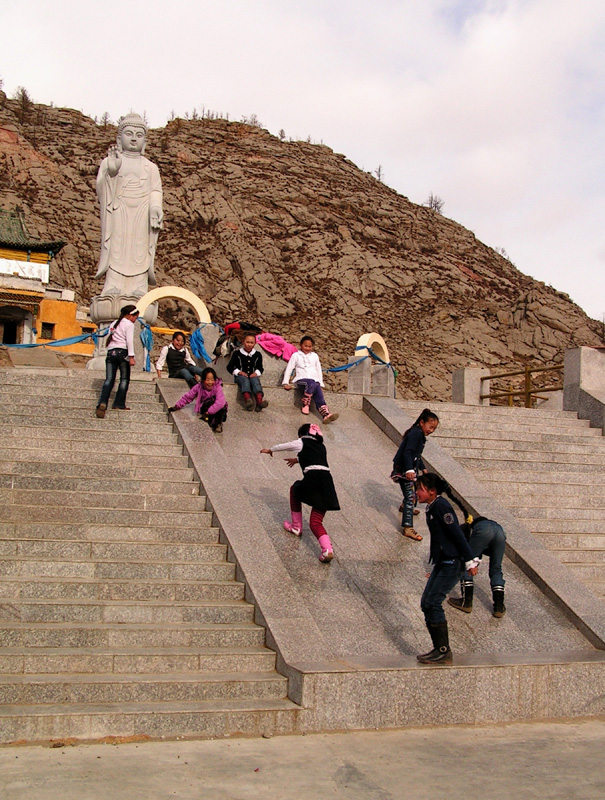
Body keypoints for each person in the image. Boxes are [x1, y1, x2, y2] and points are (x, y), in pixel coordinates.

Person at [414, 472, 480, 665]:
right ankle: (438, 648)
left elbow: (457, 534)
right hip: (443, 561)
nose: (417, 492)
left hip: (453, 562)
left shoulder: (442, 506)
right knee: (426, 602)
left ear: (432, 492)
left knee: (433, 601)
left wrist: (470, 561)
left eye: (420, 489)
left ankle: (444, 651)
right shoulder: (433, 506)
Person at [95, 113, 163, 298]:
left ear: (145, 141)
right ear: (119, 138)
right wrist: (112, 171)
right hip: (119, 211)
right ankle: (113, 284)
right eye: (129, 133)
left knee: (140, 248)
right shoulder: (110, 162)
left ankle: (139, 287)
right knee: (117, 247)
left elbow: (155, 191)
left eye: (139, 135)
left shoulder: (151, 167)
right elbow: (102, 188)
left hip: (142, 213)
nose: (134, 138)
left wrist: (156, 208)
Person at [261, 423, 340, 562]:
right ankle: (327, 549)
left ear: (302, 434)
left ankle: (296, 526)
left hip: (313, 478)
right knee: (316, 522)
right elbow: (313, 456)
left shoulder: (302, 441)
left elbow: (286, 445)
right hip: (327, 482)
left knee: (294, 489)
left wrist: (271, 450)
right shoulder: (321, 446)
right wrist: (298, 460)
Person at [390, 409, 439, 541]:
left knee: (412, 492)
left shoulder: (419, 433)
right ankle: (407, 527)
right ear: (422, 422)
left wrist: (423, 468)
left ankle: (405, 507)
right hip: (405, 469)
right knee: (411, 496)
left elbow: (416, 455)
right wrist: (409, 470)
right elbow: (408, 452)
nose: (431, 430)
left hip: (408, 468)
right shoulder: (416, 434)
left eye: (434, 428)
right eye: (430, 427)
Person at [448, 516, 507, 618]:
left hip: (484, 530)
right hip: (500, 532)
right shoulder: (487, 525)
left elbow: (467, 552)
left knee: (466, 562)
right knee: (496, 568)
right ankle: (499, 607)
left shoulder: (466, 529)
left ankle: (466, 602)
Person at [96, 304, 139, 418]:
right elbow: (129, 340)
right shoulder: (129, 324)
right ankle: (119, 403)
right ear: (131, 315)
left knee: (109, 379)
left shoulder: (114, 323)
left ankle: (103, 402)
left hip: (111, 352)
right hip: (122, 352)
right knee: (124, 379)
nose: (135, 320)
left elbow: (110, 336)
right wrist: (131, 356)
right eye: (135, 317)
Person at [282, 335, 338, 423]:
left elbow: (318, 369)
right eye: (306, 346)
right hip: (301, 380)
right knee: (311, 383)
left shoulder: (315, 356)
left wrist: (321, 383)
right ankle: (305, 403)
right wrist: (285, 382)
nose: (308, 348)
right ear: (300, 345)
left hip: (314, 381)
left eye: (310, 346)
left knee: (316, 387)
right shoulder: (296, 355)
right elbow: (289, 368)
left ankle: (325, 414)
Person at [168, 367, 228, 433]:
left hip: (211, 411)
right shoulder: (198, 387)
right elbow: (188, 397)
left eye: (212, 379)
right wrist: (177, 406)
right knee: (210, 402)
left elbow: (220, 402)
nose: (210, 382)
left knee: (223, 406)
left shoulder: (217, 387)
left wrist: (209, 412)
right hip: (205, 408)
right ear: (203, 380)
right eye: (207, 380)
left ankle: (218, 424)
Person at [226, 333, 269, 412]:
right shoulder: (237, 353)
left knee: (255, 381)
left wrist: (256, 373)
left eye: (251, 343)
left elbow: (260, 368)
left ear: (254, 344)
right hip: (240, 377)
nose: (249, 344)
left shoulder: (257, 354)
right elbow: (229, 367)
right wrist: (239, 372)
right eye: (247, 342)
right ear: (243, 342)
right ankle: (248, 400)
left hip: (252, 375)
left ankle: (259, 402)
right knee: (245, 380)